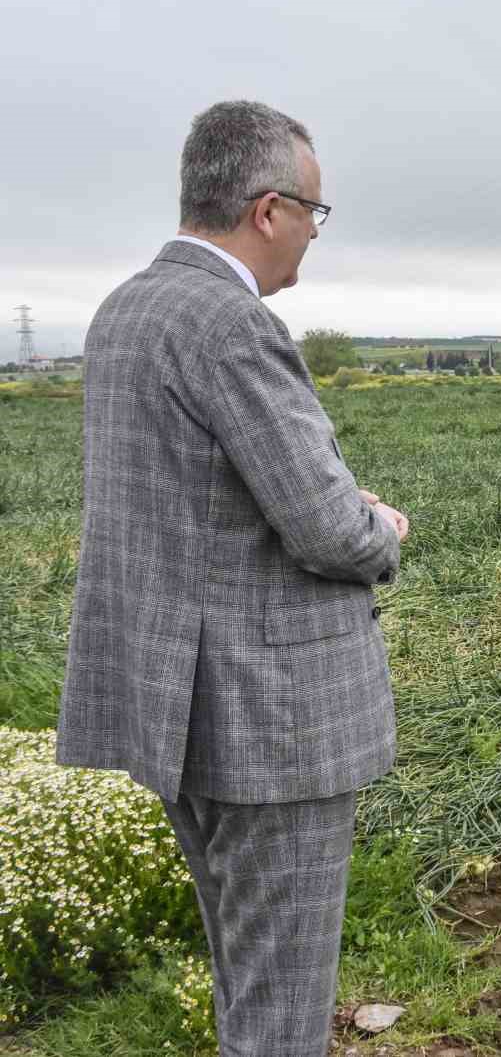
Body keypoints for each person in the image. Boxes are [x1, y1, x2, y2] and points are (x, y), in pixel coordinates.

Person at [55, 100, 409, 1057]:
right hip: (268, 719)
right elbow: (330, 533)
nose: (313, 236)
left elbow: (190, 503)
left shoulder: (126, 308)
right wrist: (380, 525)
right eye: (315, 214)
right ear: (267, 209)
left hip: (174, 703)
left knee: (245, 977)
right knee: (283, 1005)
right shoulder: (230, 324)